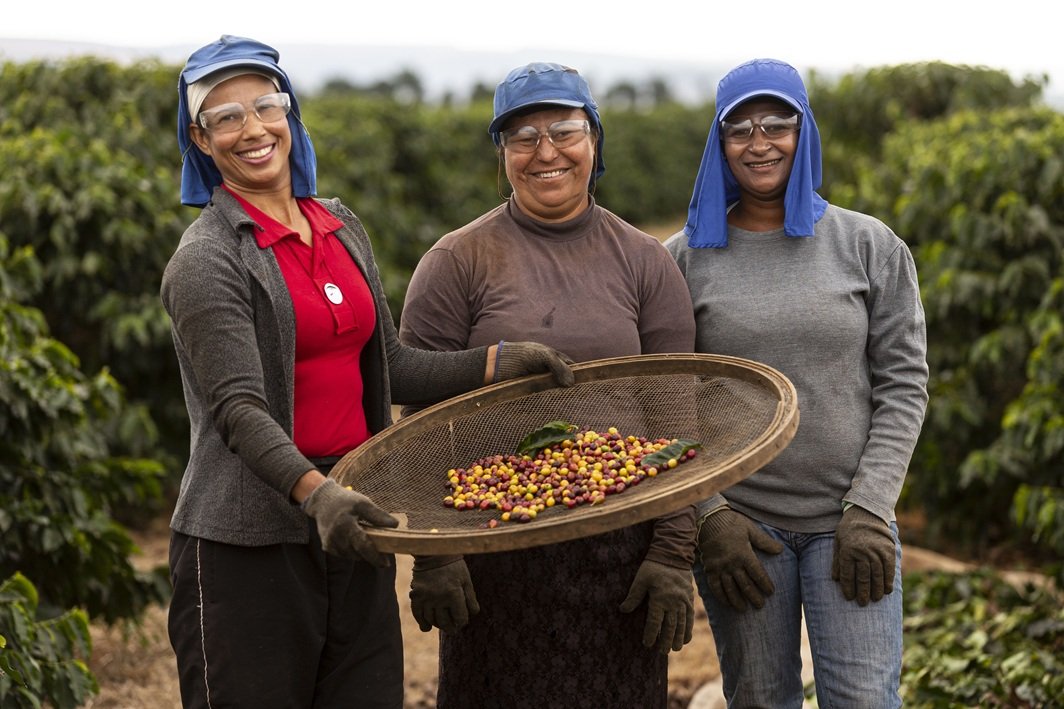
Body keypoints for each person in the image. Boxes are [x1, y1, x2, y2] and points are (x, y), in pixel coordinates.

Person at [161, 36, 574, 709]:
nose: (252, 129)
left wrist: (501, 362)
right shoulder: (207, 259)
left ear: (288, 115)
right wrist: (316, 494)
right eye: (225, 116)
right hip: (252, 543)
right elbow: (240, 412)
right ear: (201, 140)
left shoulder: (339, 225)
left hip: (355, 516)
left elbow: (390, 366)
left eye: (265, 105)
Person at [397, 62, 698, 708]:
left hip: (620, 549)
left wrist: (673, 552)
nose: (546, 152)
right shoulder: (456, 262)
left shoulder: (644, 263)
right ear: (502, 153)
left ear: (594, 140)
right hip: (495, 543)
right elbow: (420, 417)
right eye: (522, 137)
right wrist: (434, 553)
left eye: (563, 129)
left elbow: (675, 418)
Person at [665, 58, 929, 707]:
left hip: (848, 521)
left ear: (802, 130)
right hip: (744, 530)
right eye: (740, 128)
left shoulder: (869, 245)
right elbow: (665, 398)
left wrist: (870, 506)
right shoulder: (684, 258)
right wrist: (709, 514)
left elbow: (904, 382)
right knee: (758, 696)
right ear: (719, 143)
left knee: (865, 698)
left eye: (776, 122)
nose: (759, 142)